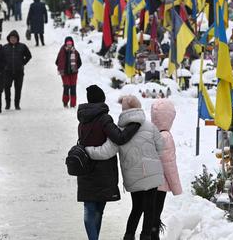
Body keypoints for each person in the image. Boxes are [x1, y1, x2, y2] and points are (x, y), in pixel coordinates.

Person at [86, 95, 164, 240]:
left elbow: (106, 151)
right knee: (150, 208)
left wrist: (87, 151)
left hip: (133, 177)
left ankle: (129, 236)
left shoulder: (118, 131)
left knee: (137, 207)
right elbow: (161, 147)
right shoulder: (150, 126)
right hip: (153, 173)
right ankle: (146, 236)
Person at [77, 86, 141, 240]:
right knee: (98, 209)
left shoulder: (82, 118)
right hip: (103, 170)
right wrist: (135, 124)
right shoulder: (104, 118)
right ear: (102, 99)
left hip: (86, 168)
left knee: (89, 208)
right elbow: (119, 138)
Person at [150, 99, 182, 240]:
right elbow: (169, 165)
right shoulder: (166, 137)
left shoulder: (149, 133)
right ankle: (153, 236)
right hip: (160, 183)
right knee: (156, 214)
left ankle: (149, 234)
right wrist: (177, 188)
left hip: (147, 181)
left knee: (149, 213)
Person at [3, 30, 32, 110]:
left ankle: (17, 104)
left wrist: (23, 63)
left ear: (17, 39)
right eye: (11, 38)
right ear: (9, 38)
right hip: (7, 72)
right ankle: (7, 104)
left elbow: (29, 56)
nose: (13, 39)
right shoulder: (5, 47)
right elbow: (0, 58)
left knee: (18, 88)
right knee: (7, 88)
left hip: (19, 72)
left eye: (14, 38)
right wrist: (4, 66)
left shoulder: (22, 46)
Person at [55, 36, 82, 108]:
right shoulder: (62, 52)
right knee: (66, 87)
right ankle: (65, 102)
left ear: (72, 43)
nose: (69, 45)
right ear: (65, 43)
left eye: (70, 43)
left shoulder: (75, 52)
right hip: (64, 73)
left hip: (73, 73)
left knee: (73, 88)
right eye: (68, 43)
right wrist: (62, 68)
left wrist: (75, 68)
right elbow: (57, 62)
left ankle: (73, 104)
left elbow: (79, 63)